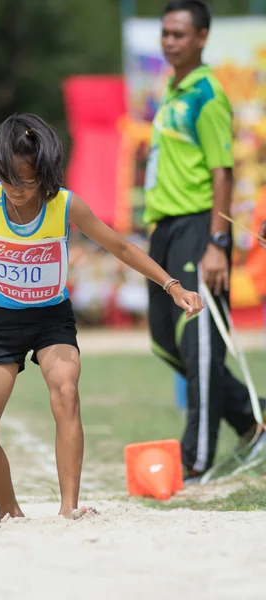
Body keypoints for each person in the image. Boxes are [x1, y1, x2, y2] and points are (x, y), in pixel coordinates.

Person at [0, 113, 203, 521]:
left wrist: (173, 286)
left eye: (29, 181)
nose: (19, 190)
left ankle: (69, 508)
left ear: (44, 173)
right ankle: (10, 514)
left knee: (65, 390)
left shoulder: (64, 204)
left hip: (51, 321)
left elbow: (121, 247)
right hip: (1, 326)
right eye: (10, 180)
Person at [144, 0, 266, 483]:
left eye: (179, 34)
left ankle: (194, 459)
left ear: (201, 38)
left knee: (200, 342)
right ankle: (252, 417)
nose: (170, 41)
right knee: (161, 335)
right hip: (165, 228)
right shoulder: (171, 90)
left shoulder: (207, 95)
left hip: (199, 225)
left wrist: (218, 241)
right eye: (165, 33)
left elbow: (223, 170)